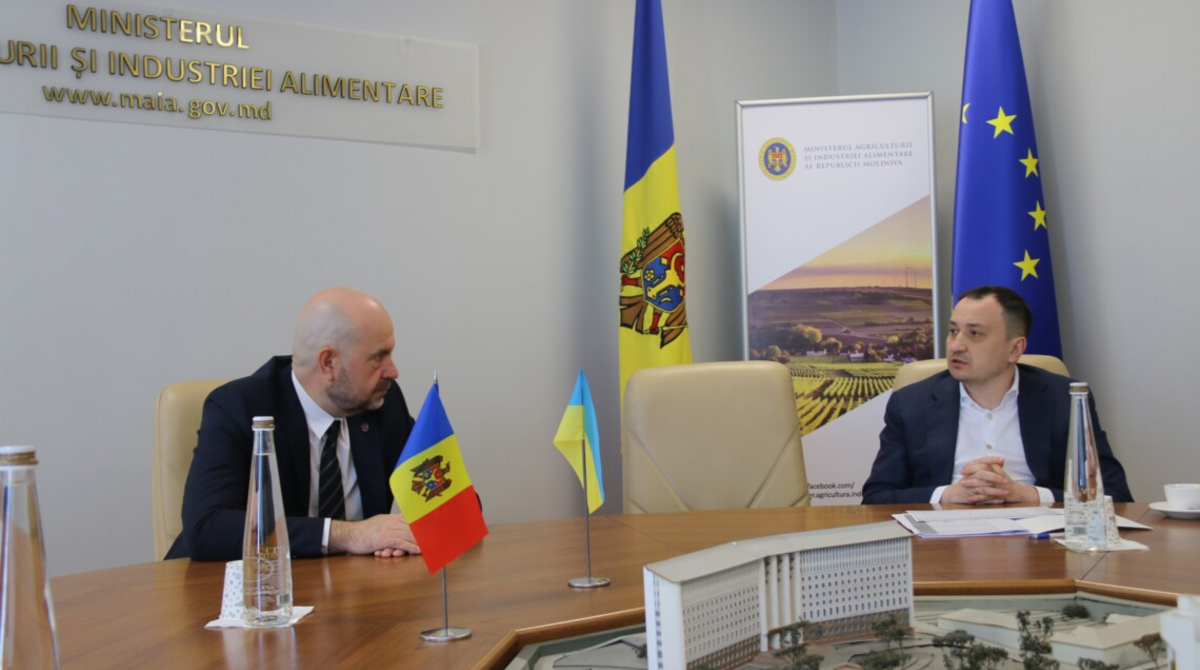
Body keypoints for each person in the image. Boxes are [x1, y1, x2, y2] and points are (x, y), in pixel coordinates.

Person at [166, 287, 422, 561]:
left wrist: (400, 534)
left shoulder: (382, 402)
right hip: (246, 583)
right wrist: (348, 535)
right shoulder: (238, 408)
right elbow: (207, 528)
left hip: (352, 582)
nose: (393, 371)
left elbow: (444, 490)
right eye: (378, 357)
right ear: (328, 363)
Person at [861, 285, 1132, 505]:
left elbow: (1115, 494)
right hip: (944, 543)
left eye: (975, 333)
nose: (956, 345)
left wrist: (1028, 495)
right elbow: (876, 498)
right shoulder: (911, 403)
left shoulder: (1064, 399)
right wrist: (948, 495)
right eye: (953, 331)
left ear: (1015, 349)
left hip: (1039, 542)